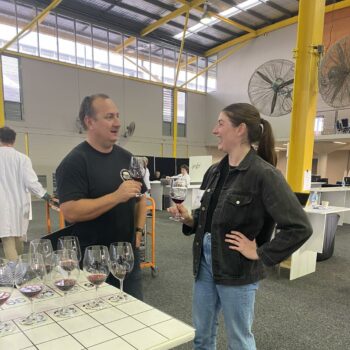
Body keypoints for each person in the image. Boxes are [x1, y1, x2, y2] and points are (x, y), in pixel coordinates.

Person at [168, 103, 312, 349]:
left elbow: (300, 227)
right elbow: (212, 215)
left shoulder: (264, 175)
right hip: (204, 262)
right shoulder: (214, 171)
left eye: (221, 123)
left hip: (238, 268)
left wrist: (259, 252)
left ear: (240, 129)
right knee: (202, 336)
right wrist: (191, 219)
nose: (215, 130)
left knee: (239, 340)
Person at [56, 93, 147, 300]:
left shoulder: (127, 158)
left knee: (135, 316)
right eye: (109, 117)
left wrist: (139, 230)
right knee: (96, 323)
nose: (117, 123)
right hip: (92, 261)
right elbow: (70, 210)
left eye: (117, 116)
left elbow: (141, 198)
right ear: (89, 122)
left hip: (126, 257)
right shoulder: (75, 162)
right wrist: (115, 196)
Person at [0, 126, 56, 261]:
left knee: (7, 240)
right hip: (20, 206)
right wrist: (47, 197)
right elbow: (32, 183)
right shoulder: (22, 159)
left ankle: (16, 274)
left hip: (2, 206)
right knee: (19, 237)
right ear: (13, 140)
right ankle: (20, 268)